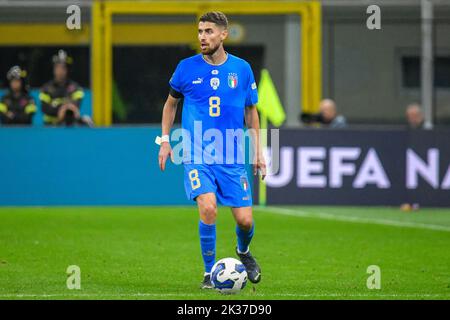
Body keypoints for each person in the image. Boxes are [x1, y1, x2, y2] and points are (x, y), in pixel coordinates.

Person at [158, 12, 266, 289]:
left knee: (245, 220)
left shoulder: (242, 69)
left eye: (208, 31)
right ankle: (209, 274)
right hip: (196, 155)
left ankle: (243, 252)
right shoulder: (186, 68)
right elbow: (171, 104)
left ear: (223, 35)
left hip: (231, 157)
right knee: (208, 208)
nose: (202, 37)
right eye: (200, 31)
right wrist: (165, 140)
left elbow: (251, 110)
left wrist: (258, 151)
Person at [39, 50, 93, 127]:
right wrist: (63, 108)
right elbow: (45, 109)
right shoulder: (46, 88)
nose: (60, 71)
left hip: (69, 128)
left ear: (67, 70)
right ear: (53, 69)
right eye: (57, 67)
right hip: (49, 128)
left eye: (63, 68)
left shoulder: (76, 88)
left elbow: (75, 106)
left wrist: (60, 106)